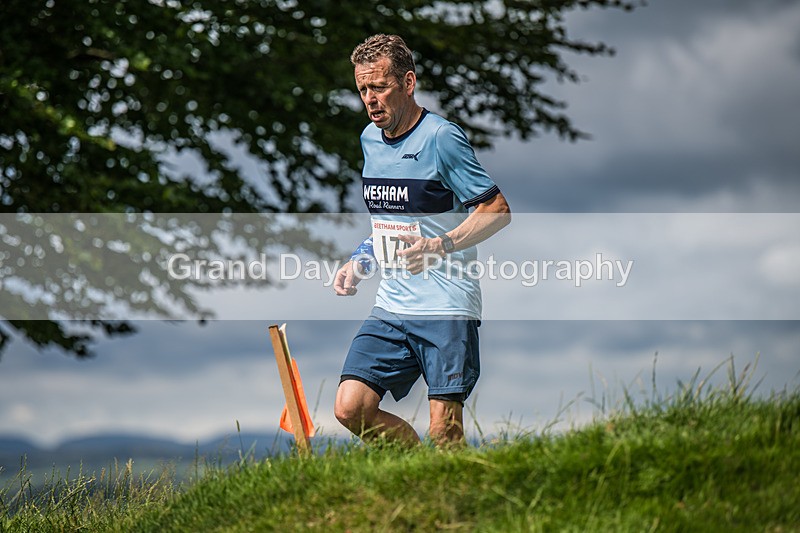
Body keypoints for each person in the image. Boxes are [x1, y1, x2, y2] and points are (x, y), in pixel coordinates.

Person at [333, 34, 511, 446]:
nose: (370, 98)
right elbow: (387, 222)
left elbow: (497, 210)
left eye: (379, 87)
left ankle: (452, 503)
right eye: (362, 89)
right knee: (350, 407)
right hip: (392, 305)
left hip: (447, 305)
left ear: (408, 83)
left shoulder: (441, 138)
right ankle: (413, 472)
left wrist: (440, 244)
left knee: (445, 434)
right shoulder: (369, 140)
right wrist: (361, 259)